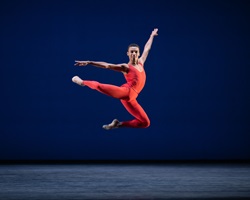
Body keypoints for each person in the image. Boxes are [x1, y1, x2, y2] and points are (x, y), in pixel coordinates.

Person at [72, 28, 158, 130]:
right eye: (132, 52)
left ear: (138, 53)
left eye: (136, 52)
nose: (134, 54)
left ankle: (118, 124)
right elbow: (107, 66)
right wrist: (90, 62)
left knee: (145, 123)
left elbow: (147, 48)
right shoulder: (125, 67)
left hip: (131, 99)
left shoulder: (141, 62)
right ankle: (82, 82)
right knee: (100, 86)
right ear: (128, 54)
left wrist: (152, 36)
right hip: (125, 92)